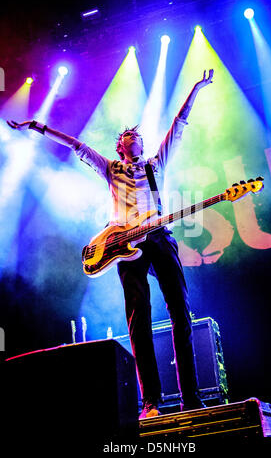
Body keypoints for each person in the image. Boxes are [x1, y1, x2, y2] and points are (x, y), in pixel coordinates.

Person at [7, 68, 214, 419]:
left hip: (159, 236)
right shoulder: (110, 168)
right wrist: (38, 127)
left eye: (139, 136)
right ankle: (151, 402)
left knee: (180, 311)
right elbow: (75, 144)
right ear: (119, 146)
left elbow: (178, 124)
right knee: (139, 320)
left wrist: (194, 88)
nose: (135, 138)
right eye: (128, 136)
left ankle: (190, 397)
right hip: (123, 242)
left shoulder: (155, 165)